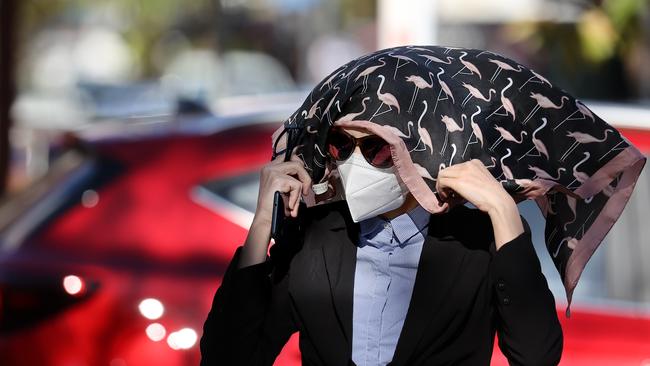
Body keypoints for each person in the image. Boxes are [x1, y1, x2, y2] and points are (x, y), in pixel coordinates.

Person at [199, 122, 564, 365]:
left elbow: (536, 356)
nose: (357, 161)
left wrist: (502, 209)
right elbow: (227, 357)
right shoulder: (316, 237)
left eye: (376, 148)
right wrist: (262, 221)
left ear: (422, 152)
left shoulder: (476, 240)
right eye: (342, 145)